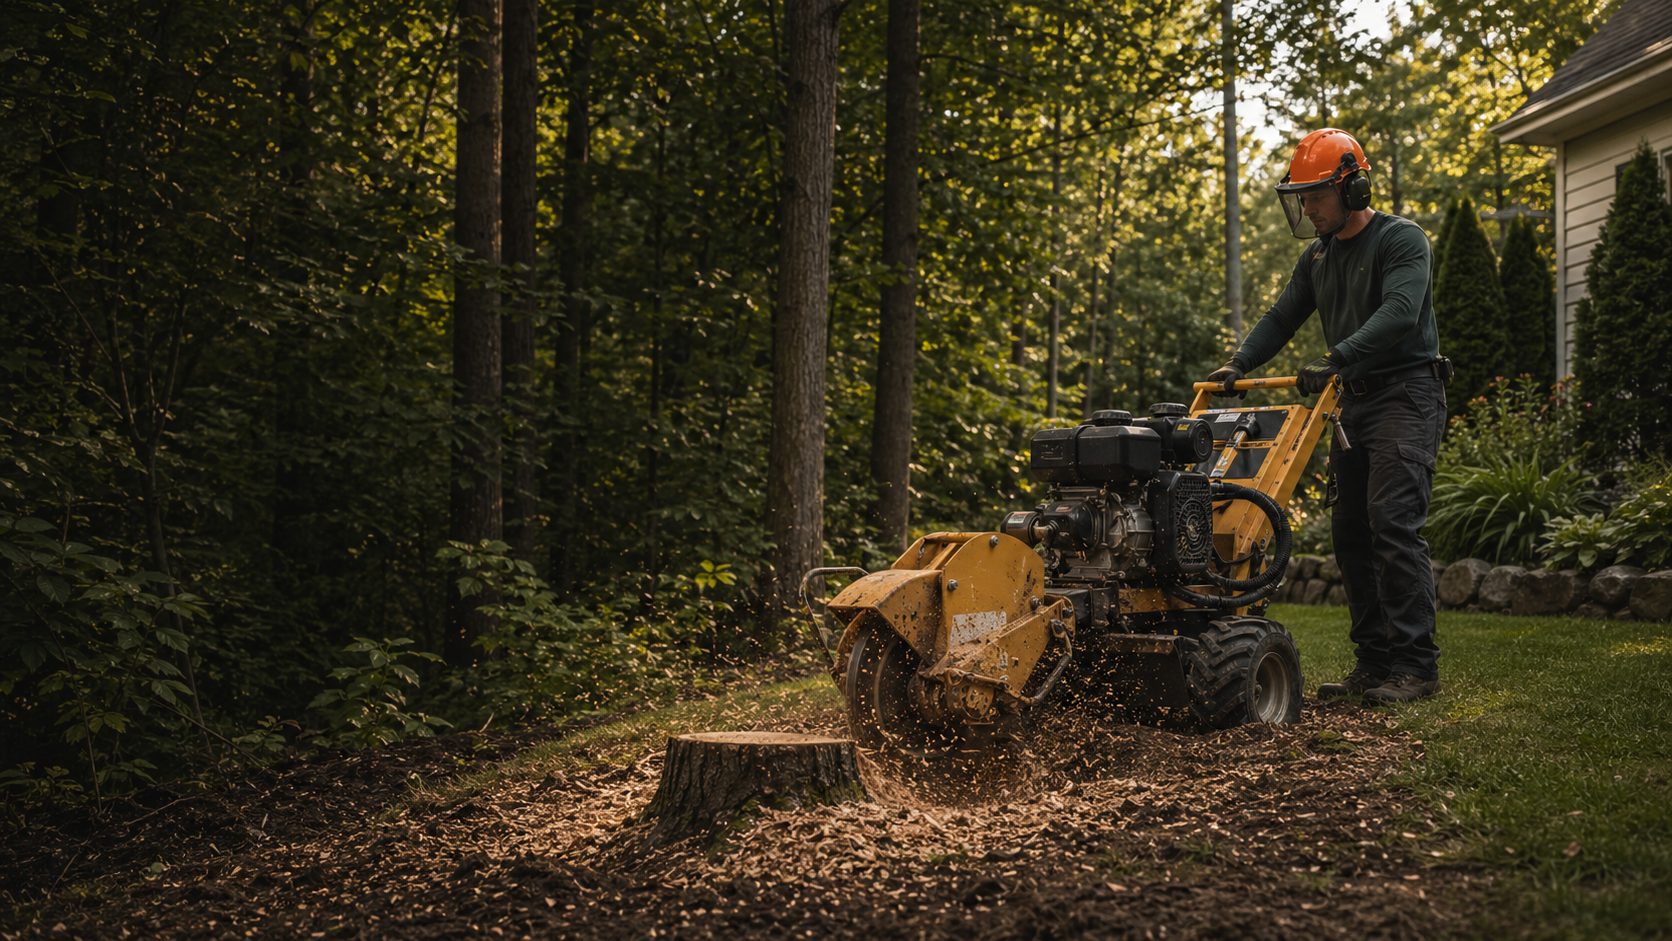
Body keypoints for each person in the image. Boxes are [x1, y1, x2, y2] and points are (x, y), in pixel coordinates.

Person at [1205, 128, 1448, 705]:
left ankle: (1416, 667)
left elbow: (1400, 313)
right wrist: (1237, 364)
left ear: (1353, 188)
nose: (1307, 207)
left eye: (1315, 195)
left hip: (1406, 393)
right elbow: (1281, 317)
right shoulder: (1317, 255)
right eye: (1301, 197)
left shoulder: (1402, 240)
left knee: (1392, 522)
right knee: (1351, 534)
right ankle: (1374, 663)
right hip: (1353, 402)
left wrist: (1337, 356)